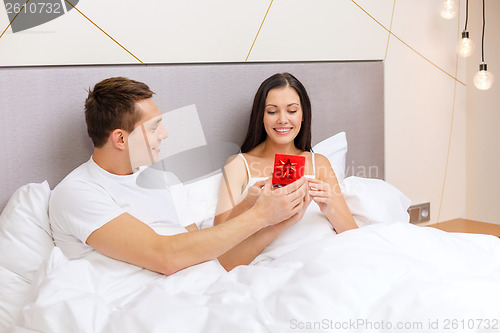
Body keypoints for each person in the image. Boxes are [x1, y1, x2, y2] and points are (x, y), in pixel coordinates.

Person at [49, 77, 310, 276]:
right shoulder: (78, 192)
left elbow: (212, 258)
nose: (164, 134)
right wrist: (260, 215)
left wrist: (274, 217)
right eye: (153, 127)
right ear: (120, 138)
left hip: (201, 290)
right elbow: (166, 257)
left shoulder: (163, 180)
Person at [214, 72, 358, 270]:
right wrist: (255, 208)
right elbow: (216, 246)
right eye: (272, 112)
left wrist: (329, 206)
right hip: (274, 268)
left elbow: (355, 237)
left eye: (291, 111)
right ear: (261, 117)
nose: (283, 120)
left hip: (328, 260)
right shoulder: (239, 165)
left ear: (303, 115)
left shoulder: (319, 163)